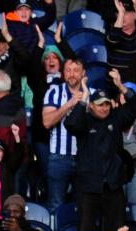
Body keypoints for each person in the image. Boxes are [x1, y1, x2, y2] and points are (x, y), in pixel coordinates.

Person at [65, 86, 136, 231]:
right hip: (88, 187)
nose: (104, 108)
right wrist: (83, 99)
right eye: (100, 104)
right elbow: (71, 124)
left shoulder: (116, 117)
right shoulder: (84, 120)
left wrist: (121, 86)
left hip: (113, 185)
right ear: (91, 105)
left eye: (107, 104)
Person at [41, 57, 87, 212]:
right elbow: (47, 122)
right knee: (55, 205)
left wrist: (85, 101)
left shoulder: (92, 94)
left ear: (83, 73)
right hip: (59, 157)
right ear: (63, 73)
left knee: (83, 207)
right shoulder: (54, 92)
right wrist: (69, 104)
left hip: (84, 158)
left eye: (76, 70)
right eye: (68, 70)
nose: (72, 74)